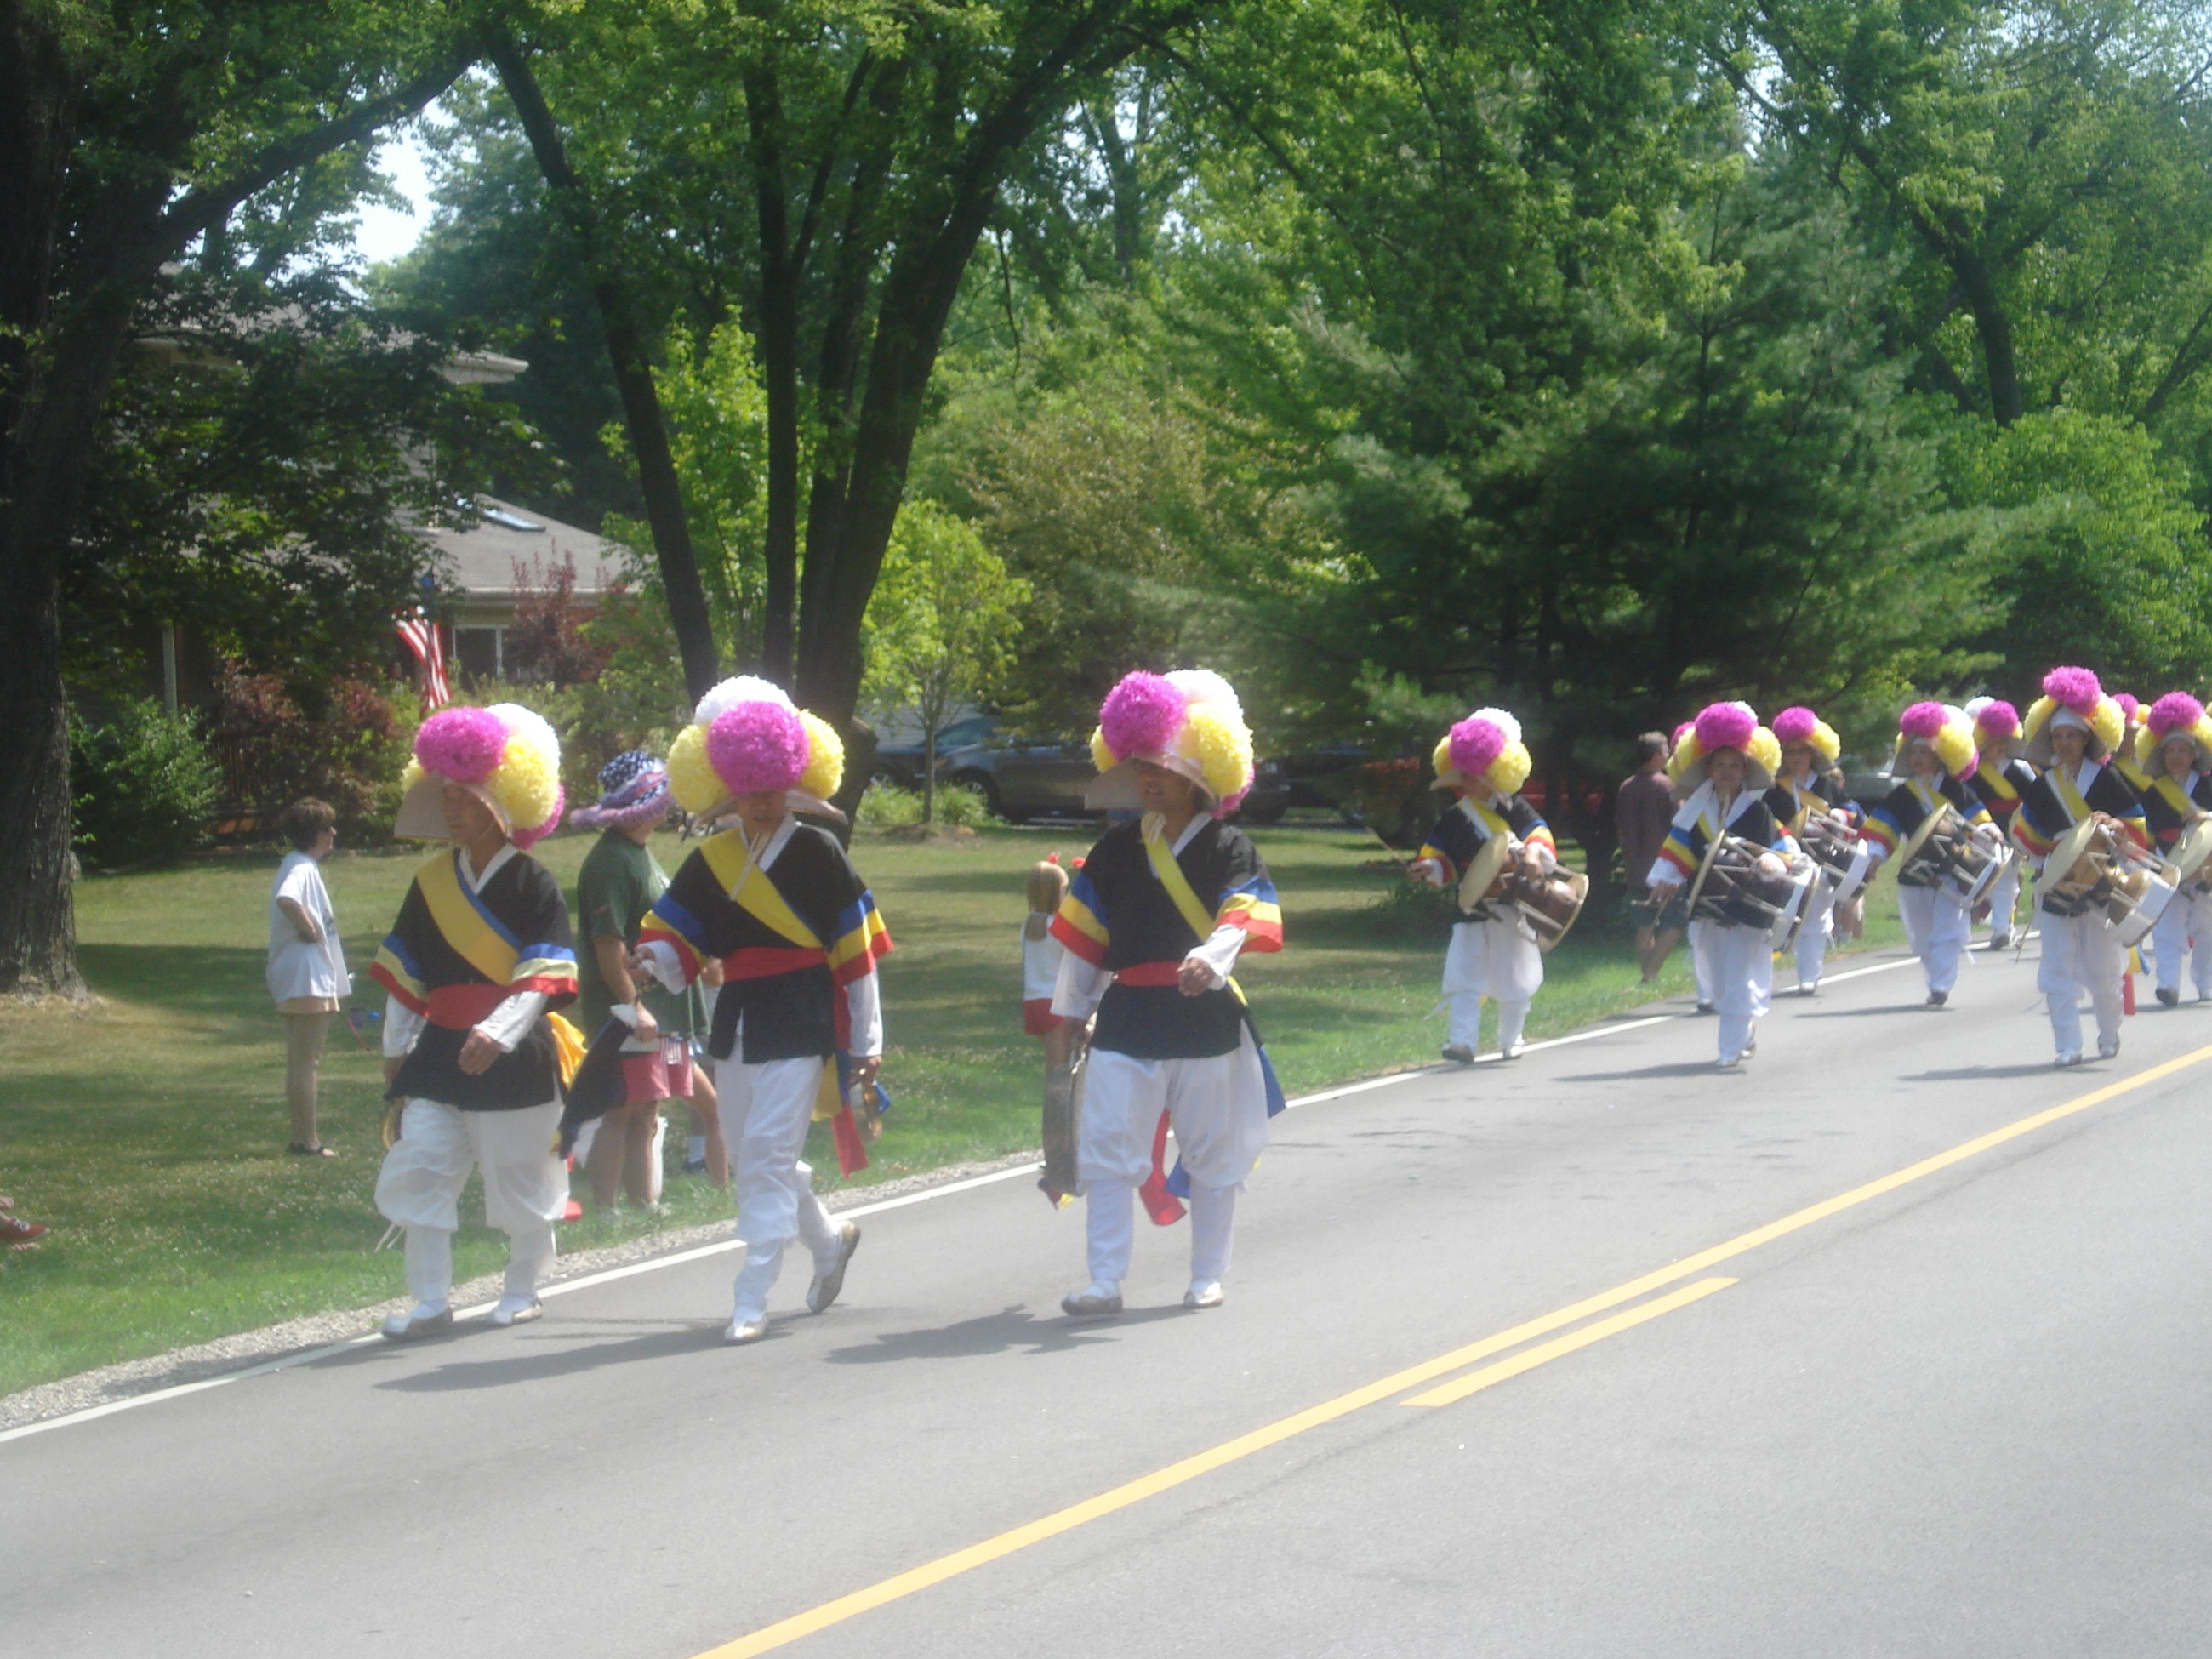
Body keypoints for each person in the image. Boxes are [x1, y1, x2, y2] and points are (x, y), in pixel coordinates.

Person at [635, 678, 891, 1345]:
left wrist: (867, 1041)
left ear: (793, 777)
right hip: (738, 1017)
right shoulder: (710, 857)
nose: (763, 801)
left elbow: (857, 954)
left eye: (773, 787)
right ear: (726, 786)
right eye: (749, 790)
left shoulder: (820, 851)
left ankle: (752, 1293)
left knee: (770, 1153)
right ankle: (829, 1241)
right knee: (752, 1157)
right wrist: (652, 962)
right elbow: (674, 933)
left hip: (804, 1017)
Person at [1049, 669, 1284, 1315]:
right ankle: (1103, 1280)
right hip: (1127, 1019)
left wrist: (1211, 959)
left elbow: (1246, 912)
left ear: (1201, 773)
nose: (1147, 779)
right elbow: (1084, 943)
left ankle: (1207, 1273)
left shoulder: (1232, 845)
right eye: (1141, 766)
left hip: (1206, 1020)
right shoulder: (1116, 848)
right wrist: (1067, 1014)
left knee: (1212, 1153)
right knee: (1105, 1152)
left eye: (1163, 767)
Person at [368, 704, 579, 1338]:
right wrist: (395, 1049)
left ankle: (522, 1288)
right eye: (447, 796)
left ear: (502, 801)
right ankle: (430, 1302)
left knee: (519, 1178)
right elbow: (408, 972)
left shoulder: (534, 882)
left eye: (465, 797)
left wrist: (499, 1032)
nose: (452, 808)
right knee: (422, 1168)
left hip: (514, 1053)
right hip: (438, 1055)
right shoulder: (430, 879)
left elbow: (544, 974)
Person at [569, 750, 721, 1211]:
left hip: (664, 1016)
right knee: (622, 1108)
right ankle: (607, 1210)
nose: (668, 804)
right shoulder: (611, 862)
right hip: (635, 1015)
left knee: (648, 1110)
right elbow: (607, 944)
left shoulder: (637, 853)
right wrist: (632, 1006)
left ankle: (643, 1205)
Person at [2009, 666, 2147, 1066]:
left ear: (2086, 738)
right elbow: (2028, 838)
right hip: (2057, 888)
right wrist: (2053, 850)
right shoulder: (2041, 786)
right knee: (2056, 970)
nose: (2064, 742)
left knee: (2104, 972)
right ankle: (2067, 1045)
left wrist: (2116, 825)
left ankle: (2109, 1033)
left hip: (2102, 885)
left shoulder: (2108, 780)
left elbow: (2137, 828)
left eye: (2071, 735)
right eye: (2057, 736)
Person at [1643, 702, 1789, 1069]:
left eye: (1735, 766)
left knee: (1739, 974)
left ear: (1745, 771)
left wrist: (1773, 860)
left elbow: (1784, 850)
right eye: (1720, 765)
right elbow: (1678, 852)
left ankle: (1730, 1047)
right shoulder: (1694, 811)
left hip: (1748, 905)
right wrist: (1665, 881)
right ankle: (1744, 1027)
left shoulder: (1758, 810)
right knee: (1718, 982)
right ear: (1708, 768)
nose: (1727, 772)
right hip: (1706, 905)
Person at [1411, 707, 1555, 1062]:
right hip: (1471, 906)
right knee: (1464, 974)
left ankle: (1512, 1037)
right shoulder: (1453, 817)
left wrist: (1535, 857)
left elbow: (1539, 837)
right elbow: (1439, 859)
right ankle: (1462, 1042)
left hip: (1512, 905)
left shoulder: (1517, 809)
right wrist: (1427, 868)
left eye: (1475, 774)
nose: (1467, 781)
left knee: (1515, 977)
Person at [1857, 704, 1994, 1007]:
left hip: (1951, 871)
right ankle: (1935, 978)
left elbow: (1979, 820)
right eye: (1914, 752)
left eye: (1925, 751)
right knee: (1921, 938)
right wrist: (1876, 858)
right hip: (1914, 873)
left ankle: (1941, 985)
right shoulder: (1901, 795)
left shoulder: (1958, 791)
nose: (1917, 758)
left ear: (1942, 753)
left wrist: (1990, 832)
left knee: (1947, 930)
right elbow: (1884, 830)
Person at [266, 796, 350, 1156]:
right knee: (306, 1063)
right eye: (326, 828)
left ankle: (303, 1138)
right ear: (311, 834)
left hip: (294, 976)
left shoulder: (296, 864)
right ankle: (307, 1141)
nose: (332, 833)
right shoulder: (300, 867)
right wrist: (311, 929)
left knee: (299, 1062)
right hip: (307, 977)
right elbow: (287, 900)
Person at [2133, 693, 2212, 1005]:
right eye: (2171, 751)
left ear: (2194, 754)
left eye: (2183, 750)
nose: (2177, 756)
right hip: (2168, 862)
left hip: (2206, 864)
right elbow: (2147, 832)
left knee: (2206, 926)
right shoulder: (2152, 792)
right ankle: (2168, 984)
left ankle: (2205, 981)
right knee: (2166, 924)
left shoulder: (2208, 785)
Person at [1764, 706, 1850, 996]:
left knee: (1815, 918)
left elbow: (1854, 813)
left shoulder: (1827, 785)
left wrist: (1840, 815)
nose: (1797, 757)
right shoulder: (1774, 790)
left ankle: (1809, 976)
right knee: (1788, 916)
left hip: (1825, 862)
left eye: (1802, 750)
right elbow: (1767, 822)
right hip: (1791, 862)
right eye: (1790, 751)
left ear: (1813, 752)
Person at [1025, 856, 1081, 1204]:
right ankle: (1058, 1161)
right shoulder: (1058, 928)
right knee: (1061, 1086)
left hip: (1034, 1004)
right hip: (1056, 1005)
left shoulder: (1029, 925)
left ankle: (1061, 1156)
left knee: (1056, 1079)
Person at [1962, 698, 2036, 949]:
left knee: (2006, 883)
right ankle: (1961, 930)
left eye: (2004, 742)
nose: (2000, 747)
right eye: (1994, 743)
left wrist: (2026, 835)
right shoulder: (1970, 772)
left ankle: (2002, 929)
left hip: (2010, 833)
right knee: (1975, 880)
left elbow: (2034, 800)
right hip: (1978, 832)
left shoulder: (2019, 769)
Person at [1616, 732, 1676, 983]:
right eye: (1665, 751)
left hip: (1636, 867)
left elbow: (1620, 825)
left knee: (1645, 924)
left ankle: (1647, 975)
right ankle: (1650, 974)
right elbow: (1679, 824)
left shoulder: (1626, 787)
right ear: (1654, 757)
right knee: (1675, 922)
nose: (1669, 755)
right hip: (1664, 867)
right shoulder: (1666, 786)